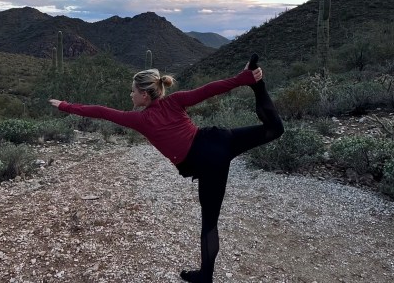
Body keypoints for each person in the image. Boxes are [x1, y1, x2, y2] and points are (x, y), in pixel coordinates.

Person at [49, 54, 284, 283]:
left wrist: (65, 106)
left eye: (132, 91)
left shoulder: (139, 120)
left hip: (208, 164)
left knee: (210, 223)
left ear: (143, 94)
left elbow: (100, 111)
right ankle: (257, 84)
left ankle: (205, 277)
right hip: (220, 140)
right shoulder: (174, 100)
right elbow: (209, 90)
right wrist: (242, 79)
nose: (130, 95)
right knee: (274, 129)